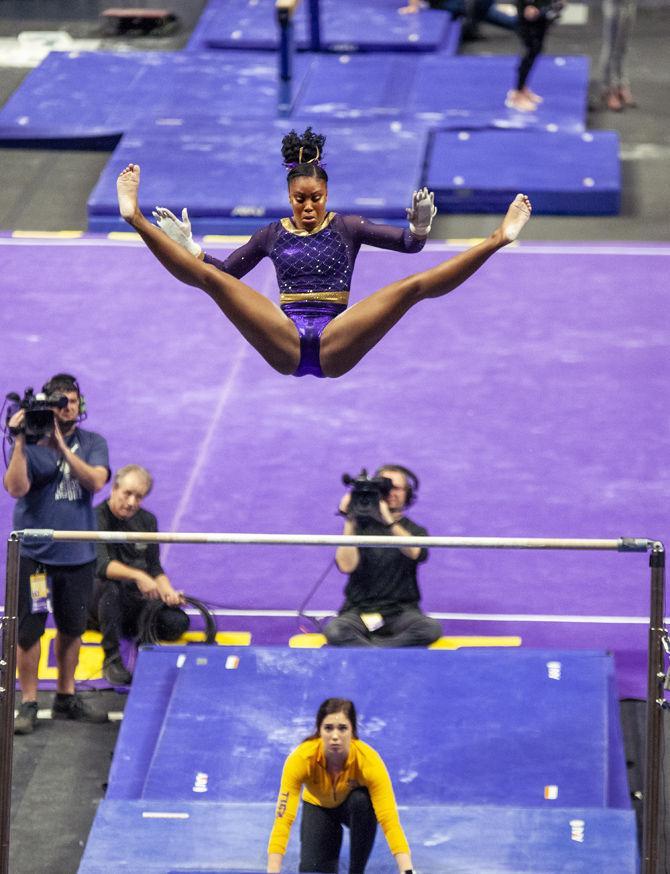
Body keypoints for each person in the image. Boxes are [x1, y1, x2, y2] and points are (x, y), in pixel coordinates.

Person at [116, 128, 532, 380]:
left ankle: (496, 239)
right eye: (300, 200)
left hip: (336, 341)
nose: (309, 206)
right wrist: (192, 249)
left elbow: (410, 246)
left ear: (327, 193)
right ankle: (133, 216)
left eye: (316, 197)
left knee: (413, 287)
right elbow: (226, 274)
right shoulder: (270, 234)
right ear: (289, 196)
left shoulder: (349, 227)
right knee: (211, 283)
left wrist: (420, 228)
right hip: (285, 339)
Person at [4, 373, 110, 734]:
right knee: (29, 631)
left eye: (75, 401)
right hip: (35, 556)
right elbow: (16, 489)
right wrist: (20, 442)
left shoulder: (93, 442)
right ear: (49, 405)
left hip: (77, 554)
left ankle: (66, 696)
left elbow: (96, 482)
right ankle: (29, 702)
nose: (70, 407)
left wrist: (61, 448)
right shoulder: (29, 444)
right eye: (63, 402)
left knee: (72, 628)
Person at [267, 698, 414, 873]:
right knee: (313, 869)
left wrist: (407, 869)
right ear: (319, 731)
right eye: (328, 728)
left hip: (353, 808)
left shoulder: (369, 761)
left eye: (342, 728)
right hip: (318, 806)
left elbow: (389, 819)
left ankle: (356, 871)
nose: (335, 736)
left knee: (363, 801)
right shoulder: (300, 759)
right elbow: (283, 818)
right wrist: (273, 869)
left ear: (352, 731)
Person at [90, 464, 189, 685]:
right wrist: (138, 576)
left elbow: (154, 567)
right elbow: (102, 565)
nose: (132, 502)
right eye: (127, 493)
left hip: (132, 599)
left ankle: (137, 635)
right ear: (114, 489)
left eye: (139, 496)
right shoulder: (96, 518)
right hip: (98, 599)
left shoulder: (147, 521)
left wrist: (167, 592)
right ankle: (112, 658)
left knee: (177, 622)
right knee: (110, 588)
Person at [325, 466, 442, 648]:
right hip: (359, 611)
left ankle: (373, 652)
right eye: (386, 488)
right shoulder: (358, 529)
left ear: (408, 493)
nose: (391, 493)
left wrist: (387, 518)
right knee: (335, 630)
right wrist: (350, 519)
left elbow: (414, 553)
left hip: (401, 613)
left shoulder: (415, 531)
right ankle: (385, 652)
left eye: (397, 488)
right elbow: (346, 566)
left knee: (429, 628)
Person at [506, 0, 564, 112]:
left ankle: (522, 88)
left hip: (541, 10)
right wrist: (527, 5)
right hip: (529, 12)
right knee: (530, 51)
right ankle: (517, 94)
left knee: (536, 50)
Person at [399, 0, 517, 39]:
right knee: (509, 21)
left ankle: (470, 26)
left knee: (511, 22)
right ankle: (470, 26)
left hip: (455, 4)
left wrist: (414, 5)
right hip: (449, 4)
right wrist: (413, 5)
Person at [599, 0, 637, 111]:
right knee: (611, 47)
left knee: (623, 47)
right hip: (614, 4)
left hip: (629, 4)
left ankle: (621, 84)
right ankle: (608, 89)